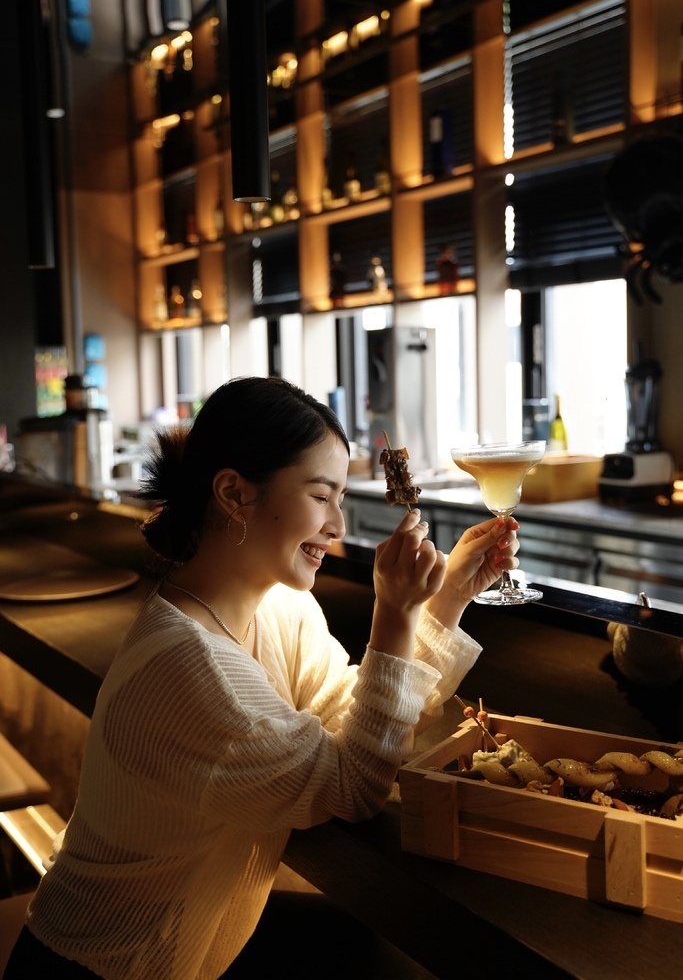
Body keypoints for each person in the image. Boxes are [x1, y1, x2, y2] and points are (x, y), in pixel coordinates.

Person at [3, 376, 519, 980]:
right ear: (233, 493)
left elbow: (354, 720)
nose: (338, 526)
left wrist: (447, 599)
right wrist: (394, 614)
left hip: (191, 950)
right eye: (321, 495)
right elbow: (354, 783)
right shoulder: (186, 670)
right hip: (96, 966)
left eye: (342, 499)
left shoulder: (279, 609)